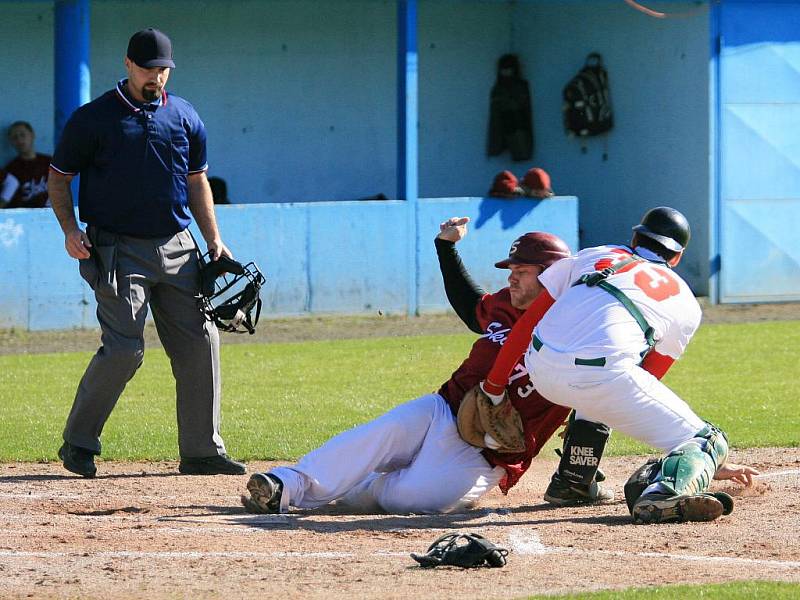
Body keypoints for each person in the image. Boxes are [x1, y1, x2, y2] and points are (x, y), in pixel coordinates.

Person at [241, 217, 610, 515]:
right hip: (444, 410)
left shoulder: (576, 329)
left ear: (550, 275)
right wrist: (446, 248)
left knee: (406, 499)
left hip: (487, 454)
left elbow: (603, 391)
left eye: (522, 271)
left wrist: (579, 473)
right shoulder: (503, 304)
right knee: (382, 433)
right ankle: (285, 485)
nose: (511, 276)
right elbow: (471, 307)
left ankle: (363, 484)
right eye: (510, 268)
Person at [48, 28, 245, 478]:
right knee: (123, 350)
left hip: (179, 246)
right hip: (116, 249)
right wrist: (69, 229)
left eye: (164, 69)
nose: (157, 77)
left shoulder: (185, 116)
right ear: (128, 65)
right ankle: (78, 442)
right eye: (150, 69)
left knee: (201, 341)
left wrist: (213, 238)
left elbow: (197, 180)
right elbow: (58, 178)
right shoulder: (93, 118)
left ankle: (201, 451)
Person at [480, 206, 759, 523]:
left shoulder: (594, 255)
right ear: (677, 257)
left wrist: (493, 386)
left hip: (539, 365)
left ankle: (573, 481)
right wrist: (705, 459)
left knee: (603, 384)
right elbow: (646, 377)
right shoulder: (685, 301)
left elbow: (528, 322)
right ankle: (664, 495)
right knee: (708, 440)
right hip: (601, 374)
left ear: (635, 237)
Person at [4, 121, 52, 208]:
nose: (19, 140)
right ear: (11, 142)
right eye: (15, 137)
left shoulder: (50, 162)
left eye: (22, 135)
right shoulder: (11, 170)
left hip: (53, 214)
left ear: (32, 135)